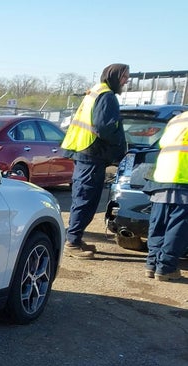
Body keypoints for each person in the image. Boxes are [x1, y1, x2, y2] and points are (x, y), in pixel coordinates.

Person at [60, 63, 130, 258]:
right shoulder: (106, 96)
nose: (126, 81)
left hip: (86, 152)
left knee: (84, 198)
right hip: (91, 154)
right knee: (86, 199)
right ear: (114, 76)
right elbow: (104, 127)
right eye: (125, 77)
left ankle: (75, 237)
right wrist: (119, 146)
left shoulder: (97, 92)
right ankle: (72, 242)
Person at [144, 110, 188, 281]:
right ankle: (166, 268)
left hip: (162, 176)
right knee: (177, 227)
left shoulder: (177, 119)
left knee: (159, 224)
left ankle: (152, 264)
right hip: (183, 179)